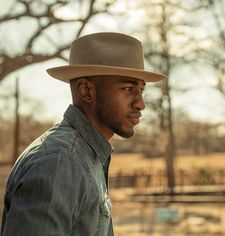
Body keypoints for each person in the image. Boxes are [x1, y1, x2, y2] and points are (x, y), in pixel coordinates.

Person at [1, 32, 165, 236]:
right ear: (86, 91)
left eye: (141, 90)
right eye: (128, 88)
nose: (141, 103)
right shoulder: (60, 160)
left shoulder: (87, 154)